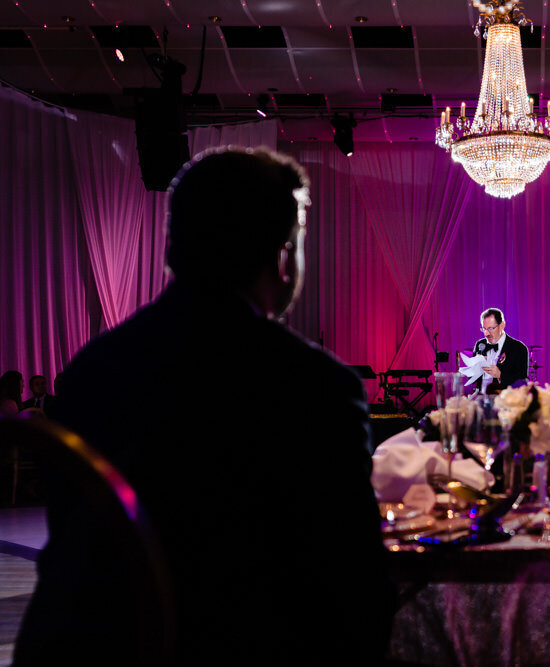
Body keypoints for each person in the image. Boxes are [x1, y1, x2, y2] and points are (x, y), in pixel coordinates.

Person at [15, 147, 394, 666]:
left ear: (171, 246)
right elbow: (356, 589)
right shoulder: (315, 387)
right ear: (285, 258)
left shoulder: (91, 370)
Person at [472, 307, 529, 394]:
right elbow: (472, 380)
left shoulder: (519, 348)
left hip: (506, 401)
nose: (486, 333)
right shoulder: (480, 344)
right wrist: (475, 368)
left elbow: (523, 382)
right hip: (481, 399)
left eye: (491, 328)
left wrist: (500, 375)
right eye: (484, 329)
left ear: (502, 325)